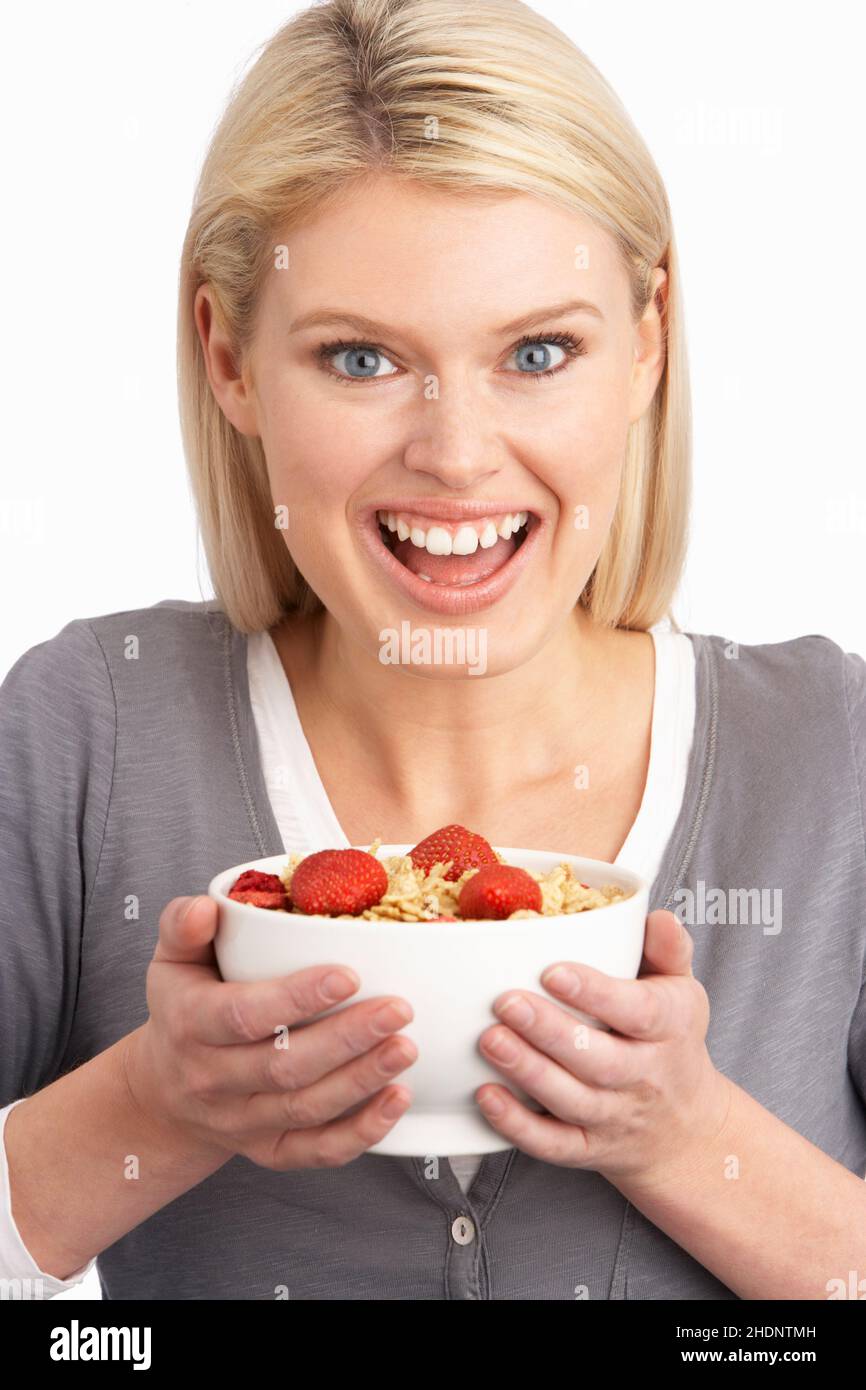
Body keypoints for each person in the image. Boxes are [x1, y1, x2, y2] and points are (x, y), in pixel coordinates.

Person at [1, 0, 864, 1302]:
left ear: (646, 343)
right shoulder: (86, 734)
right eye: (359, 356)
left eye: (537, 350)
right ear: (229, 358)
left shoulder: (829, 756)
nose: (455, 455)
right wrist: (148, 1109)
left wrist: (694, 1144)